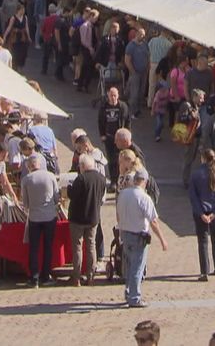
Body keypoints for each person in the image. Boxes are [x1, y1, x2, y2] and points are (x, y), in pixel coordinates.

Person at [116, 169, 168, 308]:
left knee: (128, 265)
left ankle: (128, 292)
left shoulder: (123, 194)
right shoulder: (144, 198)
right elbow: (153, 221)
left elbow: (118, 214)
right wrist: (162, 239)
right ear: (144, 181)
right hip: (138, 235)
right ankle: (134, 297)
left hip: (125, 233)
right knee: (137, 267)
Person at [188, 149, 215, 280]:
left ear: (203, 158)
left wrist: (201, 213)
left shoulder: (195, 175)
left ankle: (204, 271)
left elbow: (193, 197)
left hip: (200, 212)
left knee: (202, 241)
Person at [20, 154, 60, 287]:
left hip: (34, 217)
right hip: (50, 216)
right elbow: (56, 197)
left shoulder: (26, 179)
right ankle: (46, 276)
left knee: (34, 248)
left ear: (29, 166)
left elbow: (25, 202)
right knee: (48, 247)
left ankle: (34, 277)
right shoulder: (51, 176)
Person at [68, 153, 106, 286]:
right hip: (93, 217)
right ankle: (90, 276)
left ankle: (76, 277)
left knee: (77, 247)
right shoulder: (101, 178)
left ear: (83, 166)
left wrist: (68, 188)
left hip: (78, 218)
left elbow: (72, 195)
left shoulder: (81, 179)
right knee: (91, 246)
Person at [98, 86, 130, 183]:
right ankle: (113, 181)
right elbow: (100, 122)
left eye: (115, 95)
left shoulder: (123, 106)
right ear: (108, 96)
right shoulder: (104, 107)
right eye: (111, 95)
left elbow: (128, 120)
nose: (113, 98)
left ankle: (121, 180)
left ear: (118, 96)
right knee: (111, 160)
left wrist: (128, 134)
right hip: (109, 137)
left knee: (121, 159)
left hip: (120, 137)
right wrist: (102, 135)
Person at [178, 89, 205, 187]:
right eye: (201, 98)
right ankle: (186, 180)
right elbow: (181, 119)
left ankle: (189, 179)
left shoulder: (196, 107)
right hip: (190, 137)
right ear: (195, 97)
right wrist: (191, 117)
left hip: (196, 136)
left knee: (192, 158)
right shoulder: (187, 106)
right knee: (188, 159)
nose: (202, 100)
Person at [124, 27, 149, 117]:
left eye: (144, 35)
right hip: (135, 72)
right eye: (141, 34)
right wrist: (133, 71)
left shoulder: (145, 44)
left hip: (144, 72)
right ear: (137, 34)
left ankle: (138, 110)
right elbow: (127, 60)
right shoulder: (131, 45)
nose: (142, 36)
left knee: (141, 92)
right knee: (134, 93)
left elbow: (148, 56)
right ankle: (131, 112)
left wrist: (148, 67)